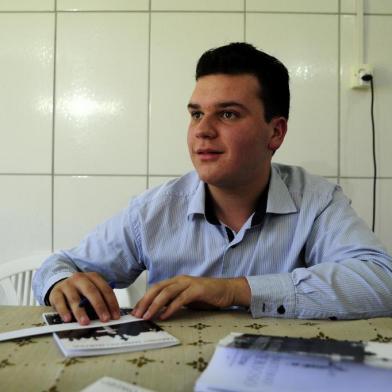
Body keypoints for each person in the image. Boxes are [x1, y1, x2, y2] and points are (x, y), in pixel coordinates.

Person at [33, 42, 392, 325]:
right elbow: (61, 265)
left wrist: (235, 290)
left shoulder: (317, 201)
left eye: (228, 114)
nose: (202, 130)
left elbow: (381, 283)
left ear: (275, 132)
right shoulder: (153, 210)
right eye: (196, 114)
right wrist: (59, 283)